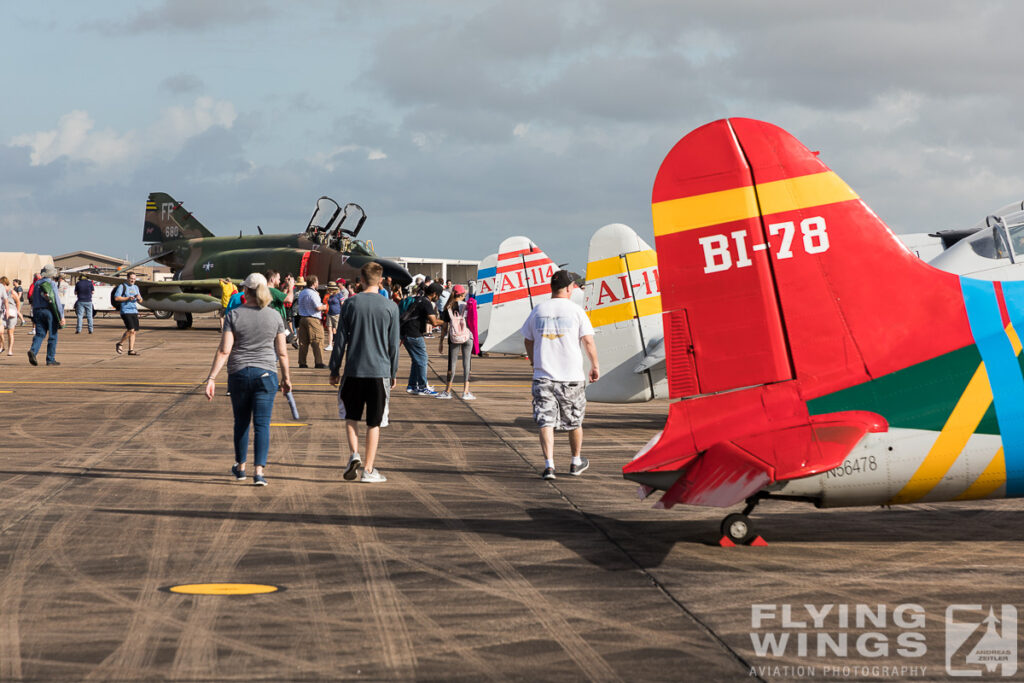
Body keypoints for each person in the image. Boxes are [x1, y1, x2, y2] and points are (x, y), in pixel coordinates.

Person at [205, 273, 291, 486]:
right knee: (262, 424)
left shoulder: (234, 314)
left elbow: (225, 350)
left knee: (241, 422)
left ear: (246, 291)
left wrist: (211, 378)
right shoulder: (275, 316)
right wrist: (286, 378)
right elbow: (282, 352)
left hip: (239, 374)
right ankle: (259, 472)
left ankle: (241, 467)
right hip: (266, 374)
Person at [520, 270, 600, 480]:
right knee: (575, 421)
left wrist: (535, 362)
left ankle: (549, 466)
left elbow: (528, 339)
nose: (574, 289)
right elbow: (588, 340)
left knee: (545, 421)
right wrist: (595, 365)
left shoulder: (538, 310)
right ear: (567, 288)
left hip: (543, 374)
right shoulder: (576, 311)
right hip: (571, 376)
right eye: (573, 286)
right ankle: (575, 461)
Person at [329, 262, 400, 483]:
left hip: (353, 371)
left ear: (361, 279)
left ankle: (354, 454)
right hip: (379, 372)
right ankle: (368, 470)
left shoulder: (350, 304)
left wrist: (334, 368)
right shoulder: (391, 307)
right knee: (374, 422)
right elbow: (393, 345)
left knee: (351, 416)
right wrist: (393, 372)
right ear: (381, 280)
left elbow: (340, 340)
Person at [400, 281, 444, 395]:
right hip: (414, 334)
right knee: (423, 360)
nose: (438, 298)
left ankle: (412, 385)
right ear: (434, 294)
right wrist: (446, 322)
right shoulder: (426, 302)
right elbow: (434, 321)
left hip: (405, 332)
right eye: (438, 296)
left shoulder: (419, 299)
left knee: (416, 360)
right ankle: (423, 386)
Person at [435, 285, 475, 400]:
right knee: (467, 364)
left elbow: (444, 326)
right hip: (467, 337)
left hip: (454, 338)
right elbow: (472, 321)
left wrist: (441, 341)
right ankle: (466, 392)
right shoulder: (467, 306)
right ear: (462, 295)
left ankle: (447, 391)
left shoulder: (448, 307)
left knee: (451, 364)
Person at [27, 265, 64, 366]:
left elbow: (33, 299)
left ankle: (33, 351)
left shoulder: (36, 284)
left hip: (37, 311)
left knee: (40, 334)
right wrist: (62, 316)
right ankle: (50, 359)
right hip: (49, 311)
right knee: (53, 335)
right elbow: (56, 300)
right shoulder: (51, 283)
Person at [296, 275, 328, 368]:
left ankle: (302, 363)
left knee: (303, 343)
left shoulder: (302, 292)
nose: (318, 283)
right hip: (313, 319)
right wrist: (324, 306)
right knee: (317, 341)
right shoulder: (313, 293)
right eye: (317, 281)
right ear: (314, 283)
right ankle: (319, 362)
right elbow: (317, 307)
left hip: (303, 318)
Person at [114, 272, 143, 356]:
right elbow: (116, 298)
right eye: (131, 279)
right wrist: (128, 298)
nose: (133, 280)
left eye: (134, 279)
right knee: (131, 329)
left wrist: (139, 298)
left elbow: (141, 300)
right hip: (125, 311)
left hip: (134, 311)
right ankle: (120, 343)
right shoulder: (122, 286)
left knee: (133, 332)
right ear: (127, 278)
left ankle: (131, 350)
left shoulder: (136, 287)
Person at [0, 276, 17, 355]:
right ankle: (2, 346)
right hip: (2, 313)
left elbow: (18, 302)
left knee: (10, 332)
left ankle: (10, 350)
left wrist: (17, 311)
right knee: (1, 332)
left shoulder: (12, 292)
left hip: (11, 313)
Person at [325, 283, 344, 352]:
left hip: (337, 314)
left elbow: (343, 304)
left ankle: (338, 344)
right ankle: (330, 345)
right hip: (329, 314)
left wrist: (343, 314)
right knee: (329, 329)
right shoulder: (330, 296)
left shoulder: (339, 295)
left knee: (337, 330)